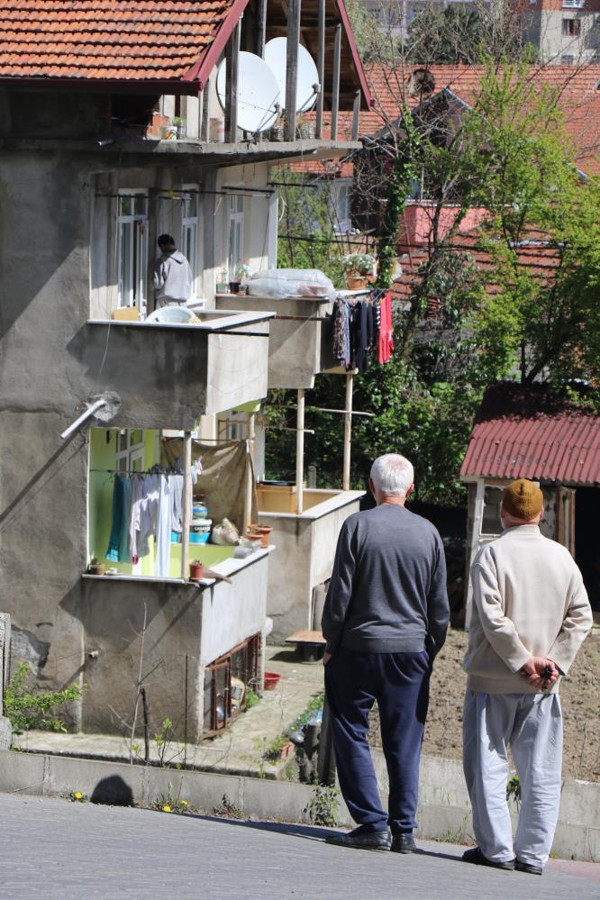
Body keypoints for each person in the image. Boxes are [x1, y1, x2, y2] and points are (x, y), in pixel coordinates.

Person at [462, 478, 593, 876]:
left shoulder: (491, 555)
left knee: (488, 764)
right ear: (540, 514)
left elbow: (492, 619)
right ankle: (533, 854)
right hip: (544, 686)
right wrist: (551, 662)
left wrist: (522, 660)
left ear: (503, 513)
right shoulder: (562, 557)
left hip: (492, 679)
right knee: (541, 770)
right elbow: (581, 616)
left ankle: (496, 849)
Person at [322, 453, 449, 853]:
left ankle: (372, 824)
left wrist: (331, 641)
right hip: (411, 651)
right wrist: (429, 649)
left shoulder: (356, 526)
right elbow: (439, 607)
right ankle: (404, 831)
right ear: (411, 489)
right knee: (405, 740)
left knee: (349, 729)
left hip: (357, 649)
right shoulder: (428, 533)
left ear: (371, 486)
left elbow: (339, 595)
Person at [153, 234, 193, 307]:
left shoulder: (163, 261)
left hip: (167, 301)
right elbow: (189, 280)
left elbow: (158, 284)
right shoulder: (185, 261)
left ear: (162, 246)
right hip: (183, 302)